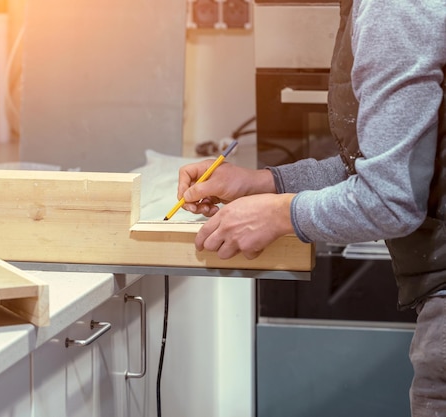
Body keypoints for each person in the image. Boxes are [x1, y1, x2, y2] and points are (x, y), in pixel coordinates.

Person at [175, 1, 446, 416]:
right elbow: (387, 162)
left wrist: (277, 214)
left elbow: (390, 200)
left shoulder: (392, 8)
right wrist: (265, 183)